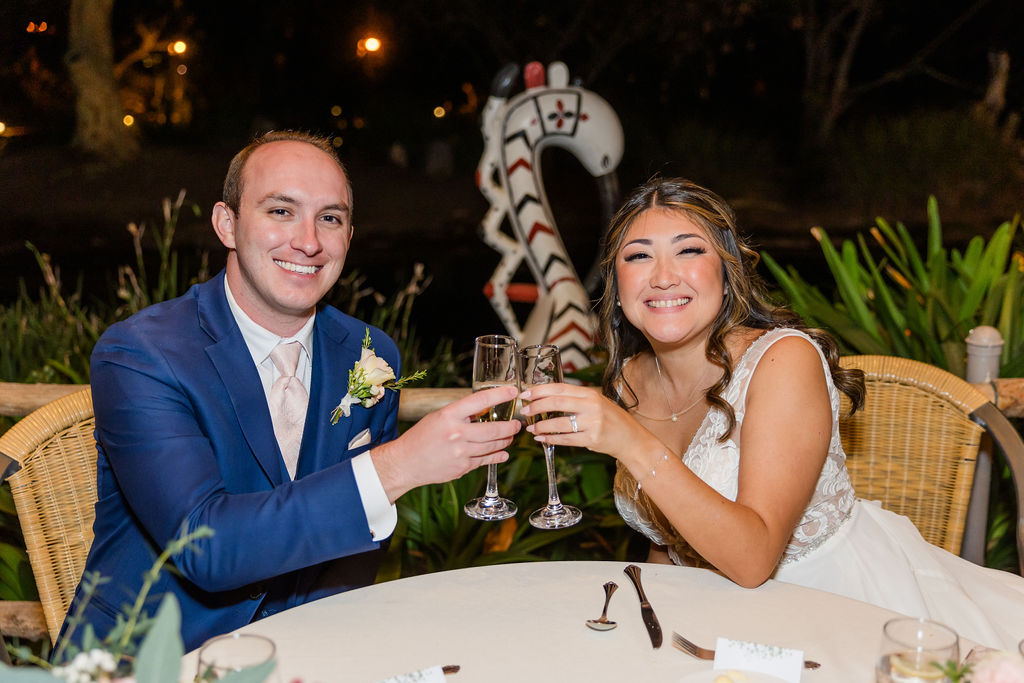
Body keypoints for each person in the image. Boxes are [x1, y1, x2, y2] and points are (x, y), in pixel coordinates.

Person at [61, 131, 521, 652]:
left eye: (331, 217)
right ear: (226, 224)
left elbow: (354, 542)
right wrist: (397, 466)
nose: (309, 241)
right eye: (281, 211)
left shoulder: (369, 352)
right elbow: (203, 549)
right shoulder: (141, 354)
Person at [519, 177, 1024, 650]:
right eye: (639, 256)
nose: (663, 276)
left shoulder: (783, 361)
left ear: (727, 269)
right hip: (706, 615)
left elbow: (754, 559)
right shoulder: (630, 377)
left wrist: (629, 439)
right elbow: (667, 537)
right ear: (617, 282)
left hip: (833, 610)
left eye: (689, 251)